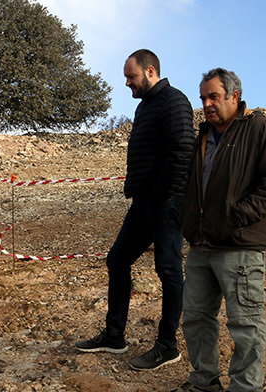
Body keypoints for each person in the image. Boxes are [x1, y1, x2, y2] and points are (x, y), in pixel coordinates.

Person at [165, 68, 266, 392]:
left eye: (213, 97)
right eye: (202, 97)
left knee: (245, 321)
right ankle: (204, 380)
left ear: (234, 96)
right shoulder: (203, 135)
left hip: (239, 246)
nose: (205, 104)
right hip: (202, 245)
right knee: (195, 316)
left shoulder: (260, 129)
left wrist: (239, 216)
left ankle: (247, 391)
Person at [75, 49, 194, 371]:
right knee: (117, 259)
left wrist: (162, 193)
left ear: (150, 71)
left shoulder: (175, 101)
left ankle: (167, 346)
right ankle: (114, 336)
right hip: (145, 202)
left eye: (131, 76)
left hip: (166, 201)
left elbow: (183, 150)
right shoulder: (145, 107)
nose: (127, 83)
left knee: (168, 271)